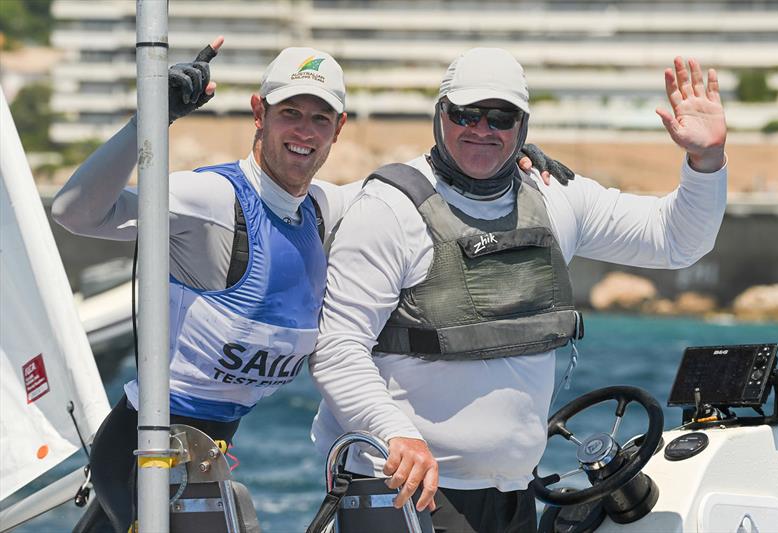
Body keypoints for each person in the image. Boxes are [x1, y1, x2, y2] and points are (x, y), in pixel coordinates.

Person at [53, 38, 568, 532]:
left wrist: (501, 149)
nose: (305, 131)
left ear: (338, 128)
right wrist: (148, 119)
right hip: (141, 452)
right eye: (289, 113)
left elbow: (422, 182)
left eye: (320, 118)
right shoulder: (214, 202)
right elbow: (75, 211)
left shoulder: (324, 211)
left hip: (205, 461)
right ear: (259, 113)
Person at [308, 48, 727, 532]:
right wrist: (397, 434)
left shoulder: (555, 196)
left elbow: (676, 240)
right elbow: (337, 348)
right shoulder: (387, 210)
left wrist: (705, 158)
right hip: (402, 491)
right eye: (464, 114)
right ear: (439, 115)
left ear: (522, 127)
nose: (481, 129)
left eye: (500, 118)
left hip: (514, 496)